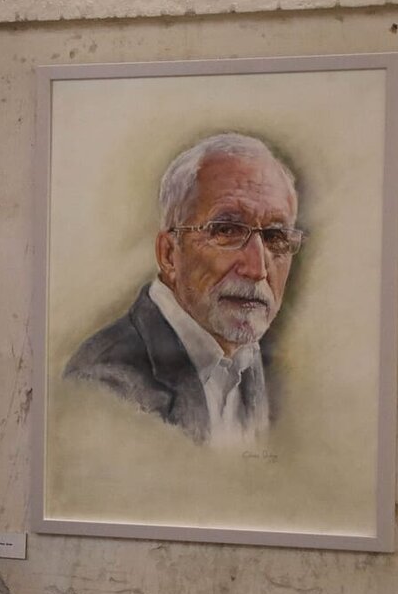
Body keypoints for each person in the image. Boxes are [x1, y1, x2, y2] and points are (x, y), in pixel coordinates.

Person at [64, 132, 305, 447]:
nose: (257, 269)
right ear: (168, 254)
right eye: (227, 231)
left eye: (275, 237)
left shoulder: (279, 378)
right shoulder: (106, 387)